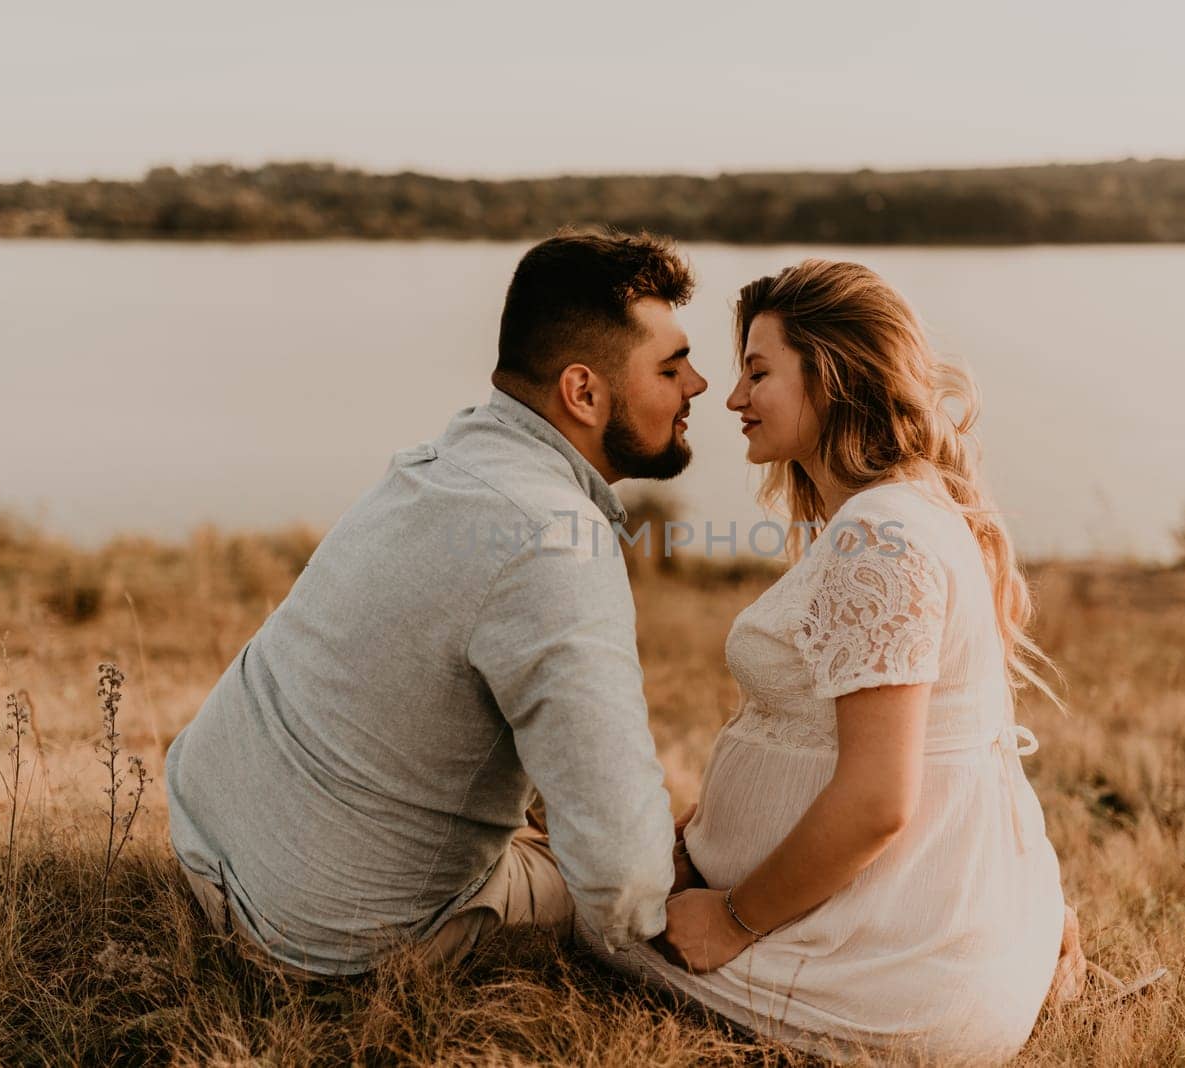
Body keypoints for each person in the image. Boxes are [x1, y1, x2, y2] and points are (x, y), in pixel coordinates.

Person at [578, 259, 1122, 1063]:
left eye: (758, 373)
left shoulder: (882, 540)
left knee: (593, 914)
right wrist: (700, 838)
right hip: (920, 947)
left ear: (829, 378)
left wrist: (731, 921)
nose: (732, 399)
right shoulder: (899, 512)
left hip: (891, 974)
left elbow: (877, 799)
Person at [164, 229, 709, 976]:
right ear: (583, 393)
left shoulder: (446, 459)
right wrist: (684, 894)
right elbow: (624, 889)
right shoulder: (555, 540)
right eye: (672, 367)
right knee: (641, 870)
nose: (699, 385)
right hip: (320, 933)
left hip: (209, 835)